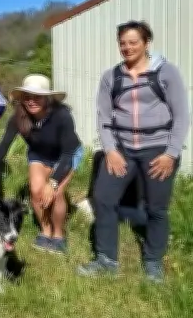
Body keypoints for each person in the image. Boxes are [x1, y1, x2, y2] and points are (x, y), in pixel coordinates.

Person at [78, 20, 190, 283]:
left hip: (158, 150)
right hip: (122, 149)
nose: (127, 47)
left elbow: (182, 116)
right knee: (103, 199)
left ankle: (153, 262)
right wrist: (110, 150)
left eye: (133, 42)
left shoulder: (166, 73)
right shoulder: (111, 77)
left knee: (156, 208)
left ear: (146, 42)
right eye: (122, 43)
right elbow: (103, 118)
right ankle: (106, 260)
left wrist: (171, 153)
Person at [0, 74, 82, 254]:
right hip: (39, 155)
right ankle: (45, 230)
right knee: (35, 190)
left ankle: (59, 236)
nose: (31, 101)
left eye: (37, 96)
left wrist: (53, 182)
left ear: (47, 98)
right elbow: (3, 146)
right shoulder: (18, 118)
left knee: (56, 193)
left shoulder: (62, 116)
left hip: (66, 156)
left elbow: (68, 153)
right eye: (27, 97)